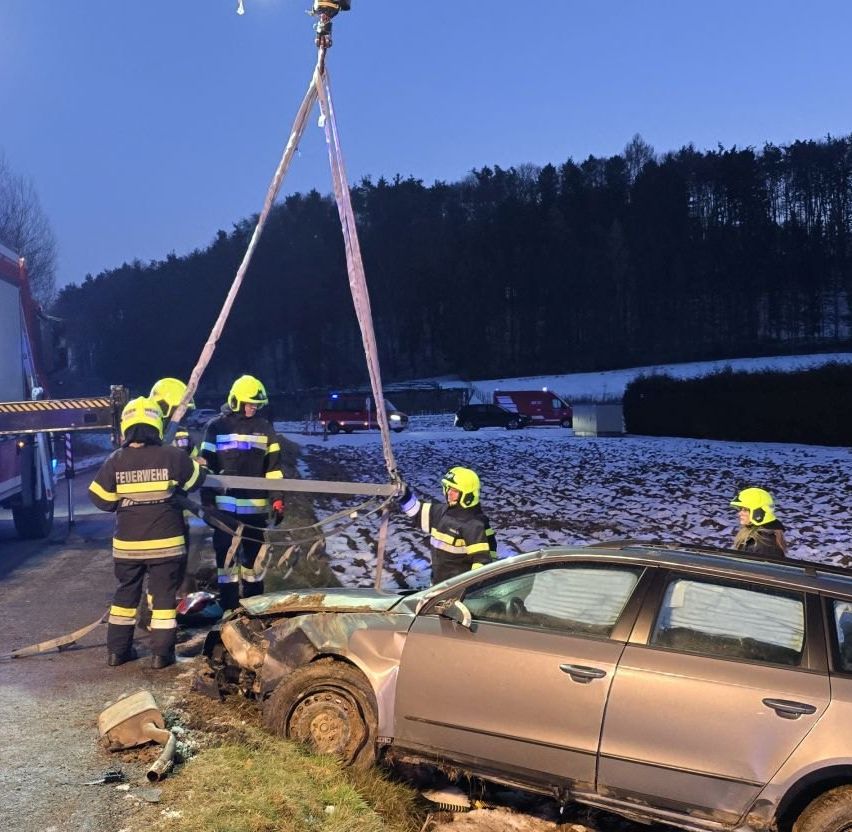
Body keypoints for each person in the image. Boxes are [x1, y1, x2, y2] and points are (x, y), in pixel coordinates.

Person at [88, 396, 206, 668]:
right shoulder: (171, 455)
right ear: (157, 425)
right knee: (163, 598)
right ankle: (161, 656)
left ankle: (117, 653)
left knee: (125, 596)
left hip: (128, 545)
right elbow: (195, 479)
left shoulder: (116, 459)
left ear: (126, 427)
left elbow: (98, 497)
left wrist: (124, 503)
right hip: (166, 543)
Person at [200, 375, 284, 611]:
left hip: (255, 514)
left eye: (256, 405)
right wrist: (207, 503)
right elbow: (204, 467)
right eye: (249, 404)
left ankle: (254, 610)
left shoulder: (265, 428)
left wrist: (278, 499)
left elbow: (274, 469)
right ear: (235, 400)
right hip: (223, 513)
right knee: (226, 567)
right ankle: (228, 611)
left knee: (254, 567)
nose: (253, 408)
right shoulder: (215, 427)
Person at [399, 466, 497, 584]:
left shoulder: (474, 525)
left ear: (468, 495)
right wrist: (403, 495)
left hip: (457, 591)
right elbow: (417, 512)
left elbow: (481, 563)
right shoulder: (440, 511)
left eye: (455, 491)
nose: (449, 493)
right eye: (448, 488)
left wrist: (469, 589)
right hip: (437, 586)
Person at [730, 487, 787, 559]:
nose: (739, 513)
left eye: (745, 510)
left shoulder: (764, 544)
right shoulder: (758, 537)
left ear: (758, 513)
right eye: (740, 509)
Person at [150, 377, 198, 457]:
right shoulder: (154, 434)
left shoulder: (182, 433)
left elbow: (193, 457)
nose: (183, 414)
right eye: (178, 409)